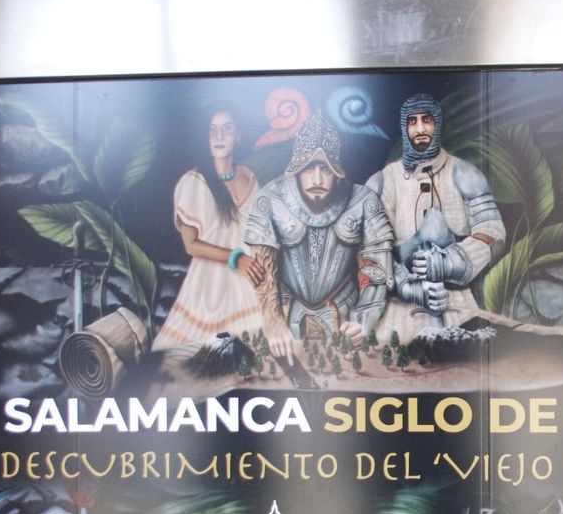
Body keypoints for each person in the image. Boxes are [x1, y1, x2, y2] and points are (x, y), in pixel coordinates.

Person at [242, 112, 393, 363]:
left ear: (337, 169)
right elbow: (263, 269)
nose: (317, 178)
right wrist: (273, 322)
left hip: (345, 312)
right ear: (297, 168)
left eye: (325, 168)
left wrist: (364, 319)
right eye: (309, 167)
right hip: (286, 312)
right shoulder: (269, 199)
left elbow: (376, 266)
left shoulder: (363, 200)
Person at [365, 94, 506, 342]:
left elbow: (493, 231)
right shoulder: (384, 181)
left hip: (458, 306)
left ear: (437, 124)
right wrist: (404, 286)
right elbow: (369, 247)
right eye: (412, 121)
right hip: (399, 312)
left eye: (427, 120)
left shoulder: (463, 173)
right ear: (404, 127)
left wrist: (454, 262)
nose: (420, 128)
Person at [152, 108, 265, 351]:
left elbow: (259, 232)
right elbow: (190, 245)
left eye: (227, 128)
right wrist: (236, 258)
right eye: (212, 130)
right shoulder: (193, 181)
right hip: (209, 288)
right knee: (195, 363)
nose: (219, 136)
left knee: (255, 361)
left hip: (248, 285)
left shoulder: (249, 176)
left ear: (239, 134)